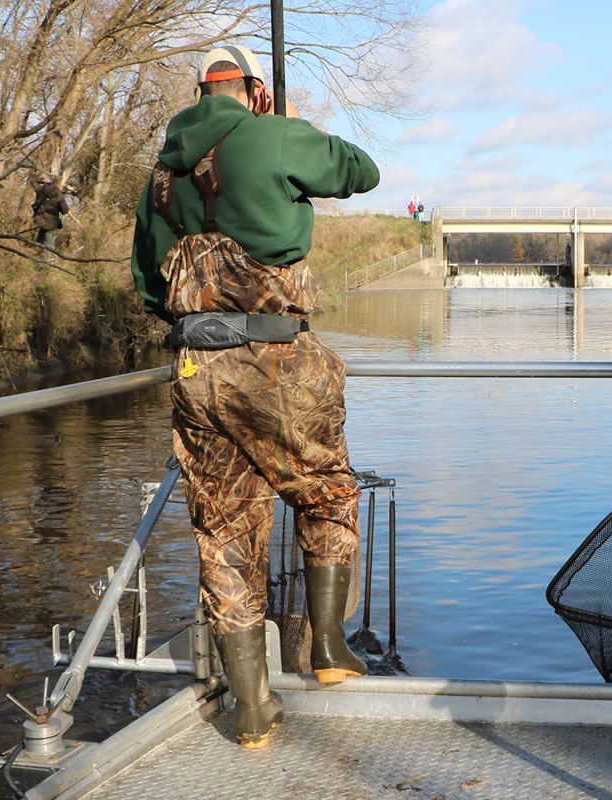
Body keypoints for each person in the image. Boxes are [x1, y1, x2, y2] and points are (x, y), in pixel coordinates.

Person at [130, 43, 380, 750]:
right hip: (275, 356)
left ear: (201, 91)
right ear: (255, 91)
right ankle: (328, 649)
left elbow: (150, 284)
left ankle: (250, 710)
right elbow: (361, 171)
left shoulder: (160, 174)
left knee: (224, 529)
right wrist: (297, 124)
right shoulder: (272, 134)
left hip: (195, 370)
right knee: (327, 491)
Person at [31, 175, 69, 253]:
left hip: (40, 221)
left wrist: (42, 180)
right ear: (57, 184)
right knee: (50, 246)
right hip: (52, 224)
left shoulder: (40, 190)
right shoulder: (59, 196)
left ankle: (35, 258)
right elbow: (64, 211)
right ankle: (44, 264)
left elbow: (33, 181)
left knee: (39, 242)